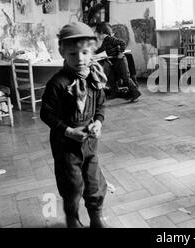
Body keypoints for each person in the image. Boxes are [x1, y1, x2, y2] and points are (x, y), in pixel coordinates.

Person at [40, 22, 109, 228]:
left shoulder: (94, 78)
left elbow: (101, 106)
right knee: (72, 185)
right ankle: (72, 218)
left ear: (92, 52)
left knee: (94, 181)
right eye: (72, 54)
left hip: (89, 143)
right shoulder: (58, 83)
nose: (80, 59)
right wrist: (68, 131)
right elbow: (46, 114)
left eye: (85, 53)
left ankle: (96, 218)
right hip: (65, 145)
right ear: (62, 52)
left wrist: (98, 122)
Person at [95, 22, 141, 102]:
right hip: (114, 62)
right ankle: (114, 92)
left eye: (97, 34)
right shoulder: (105, 41)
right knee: (111, 78)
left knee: (126, 78)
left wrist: (120, 53)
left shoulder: (110, 39)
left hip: (120, 60)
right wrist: (92, 53)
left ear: (102, 33)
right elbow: (101, 50)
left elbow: (122, 43)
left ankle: (135, 93)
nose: (97, 36)